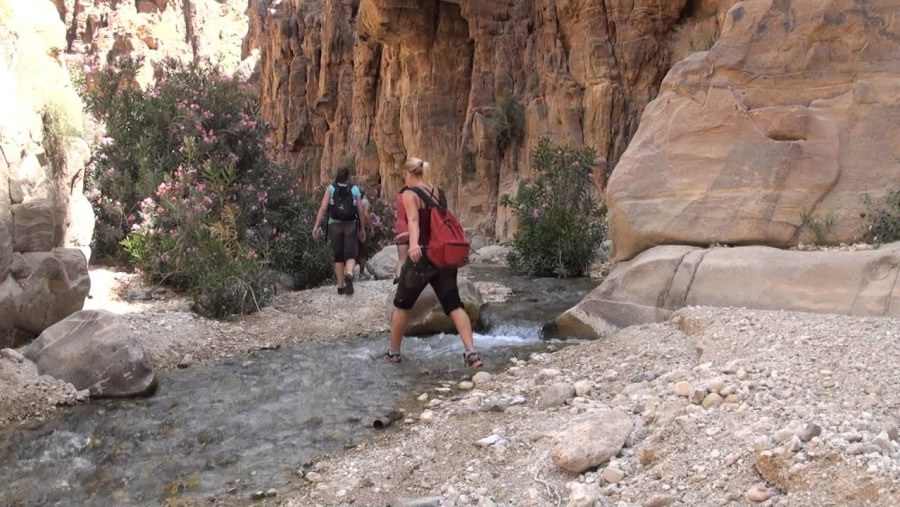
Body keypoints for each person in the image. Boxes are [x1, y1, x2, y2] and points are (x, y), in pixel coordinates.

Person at [385, 157, 483, 368]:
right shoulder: (439, 193)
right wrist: (408, 236)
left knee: (401, 305)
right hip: (444, 257)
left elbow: (414, 221)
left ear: (410, 174)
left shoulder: (409, 194)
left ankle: (393, 354)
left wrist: (412, 245)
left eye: (405, 175)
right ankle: (471, 354)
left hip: (422, 256)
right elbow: (434, 223)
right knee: (454, 305)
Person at [312, 167, 367, 295]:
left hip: (334, 224)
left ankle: (340, 285)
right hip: (350, 224)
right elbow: (360, 211)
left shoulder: (331, 188)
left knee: (338, 255)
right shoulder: (354, 189)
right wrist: (362, 228)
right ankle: (349, 273)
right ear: (348, 177)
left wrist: (317, 225)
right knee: (351, 255)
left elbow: (323, 208)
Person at [393, 183, 410, 284]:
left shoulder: (399, 197)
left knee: (401, 258)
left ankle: (398, 277)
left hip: (400, 228)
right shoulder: (411, 197)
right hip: (410, 228)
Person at [356, 188, 372, 279]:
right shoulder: (364, 201)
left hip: (350, 228)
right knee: (362, 251)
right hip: (361, 228)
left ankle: (348, 273)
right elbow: (366, 214)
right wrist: (371, 227)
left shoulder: (351, 200)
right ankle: (361, 274)